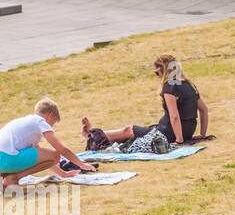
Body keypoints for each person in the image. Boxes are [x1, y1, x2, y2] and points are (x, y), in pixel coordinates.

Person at [80, 54, 210, 148]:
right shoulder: (189, 84)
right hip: (188, 130)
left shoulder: (169, 87)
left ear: (163, 70)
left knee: (128, 130)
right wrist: (202, 134)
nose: (158, 77)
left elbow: (174, 116)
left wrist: (179, 140)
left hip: (168, 133)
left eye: (157, 73)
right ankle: (95, 135)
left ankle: (93, 136)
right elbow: (204, 110)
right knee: (134, 132)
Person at [0, 97, 95, 189]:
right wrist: (82, 165)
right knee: (56, 155)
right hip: (4, 158)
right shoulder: (40, 122)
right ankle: (13, 179)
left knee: (47, 155)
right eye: (53, 123)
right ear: (51, 115)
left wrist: (62, 174)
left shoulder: (25, 122)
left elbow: (44, 158)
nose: (51, 126)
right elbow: (61, 150)